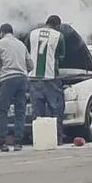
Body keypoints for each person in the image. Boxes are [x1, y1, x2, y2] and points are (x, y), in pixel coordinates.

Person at [0, 23, 33, 151]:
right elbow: (31, 65)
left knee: (2, 111)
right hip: (22, 79)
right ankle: (18, 142)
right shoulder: (21, 44)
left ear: (1, 33)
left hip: (7, 79)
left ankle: (2, 143)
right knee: (20, 111)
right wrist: (23, 71)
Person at [28, 15, 68, 144]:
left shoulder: (32, 34)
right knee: (56, 109)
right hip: (51, 78)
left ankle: (38, 139)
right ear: (57, 25)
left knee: (37, 111)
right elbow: (61, 56)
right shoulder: (58, 36)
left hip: (33, 78)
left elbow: (27, 51)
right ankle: (57, 138)